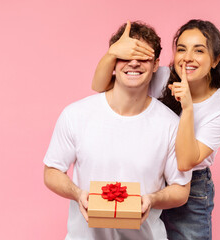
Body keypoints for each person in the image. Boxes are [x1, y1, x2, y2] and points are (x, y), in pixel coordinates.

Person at [91, 19, 220, 240]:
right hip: (151, 175)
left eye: (199, 50)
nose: (188, 57)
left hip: (191, 188)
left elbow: (184, 162)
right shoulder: (163, 77)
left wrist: (188, 106)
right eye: (182, 49)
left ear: (215, 60)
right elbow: (101, 86)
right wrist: (112, 53)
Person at [43, 21, 192, 240]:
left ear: (155, 64)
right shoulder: (76, 114)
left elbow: (181, 189)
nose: (134, 63)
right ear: (113, 61)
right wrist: (79, 194)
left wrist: (151, 199)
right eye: (125, 56)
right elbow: (51, 171)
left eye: (143, 57)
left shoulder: (170, 124)